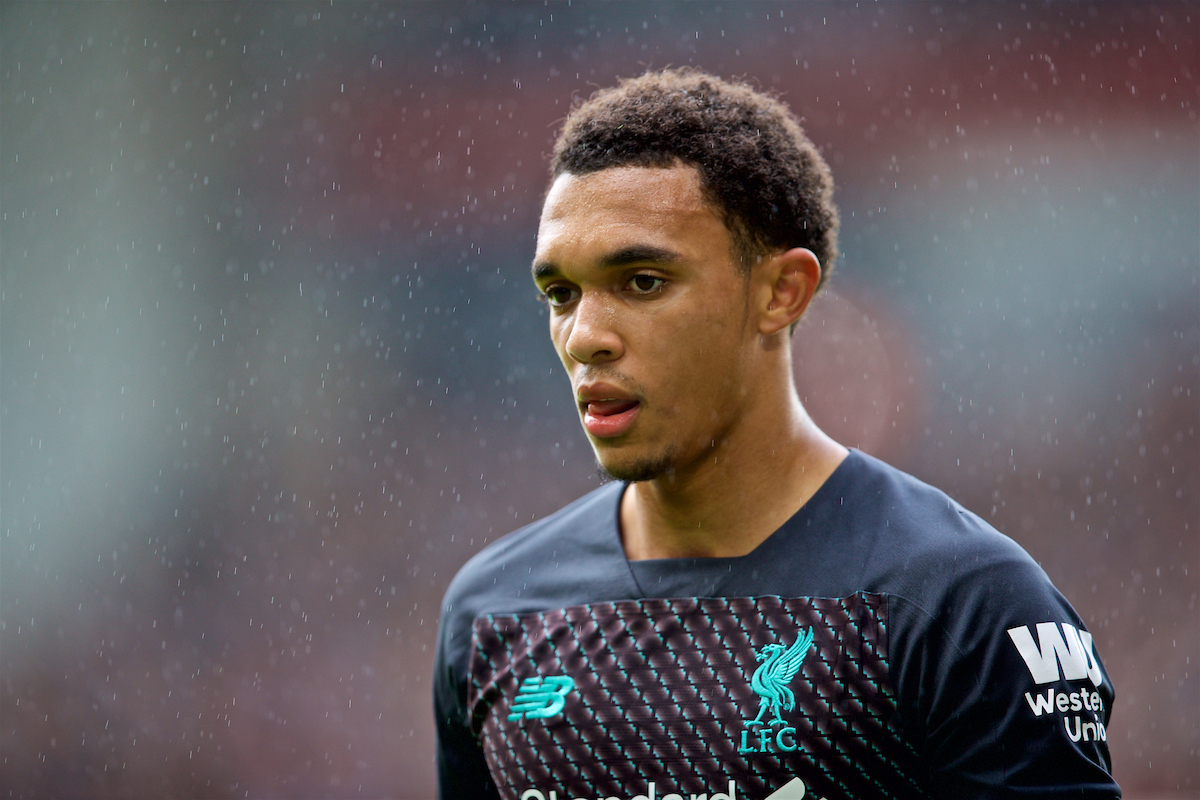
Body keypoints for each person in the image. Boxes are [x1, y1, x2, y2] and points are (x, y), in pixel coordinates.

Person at [434, 68, 1119, 800]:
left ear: (779, 293)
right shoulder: (496, 614)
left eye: (642, 281)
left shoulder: (960, 606)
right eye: (560, 294)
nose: (585, 337)